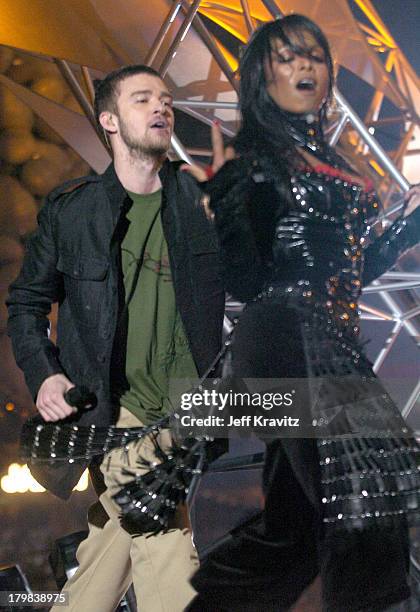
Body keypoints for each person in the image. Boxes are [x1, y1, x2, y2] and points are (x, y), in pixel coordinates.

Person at [181, 15, 420, 612]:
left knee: (297, 532)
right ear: (263, 74)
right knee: (366, 501)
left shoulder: (320, 150)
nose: (305, 66)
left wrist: (410, 224)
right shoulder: (258, 155)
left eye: (314, 55)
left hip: (327, 336)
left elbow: (348, 273)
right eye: (287, 57)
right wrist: (230, 200)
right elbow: (248, 278)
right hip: (286, 336)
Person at [7, 64, 225, 612]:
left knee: (110, 550)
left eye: (167, 99)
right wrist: (45, 372)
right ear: (109, 120)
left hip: (185, 409)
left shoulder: (201, 202)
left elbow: (257, 269)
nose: (161, 108)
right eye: (143, 99)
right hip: (116, 414)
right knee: (166, 542)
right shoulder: (71, 210)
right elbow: (27, 304)